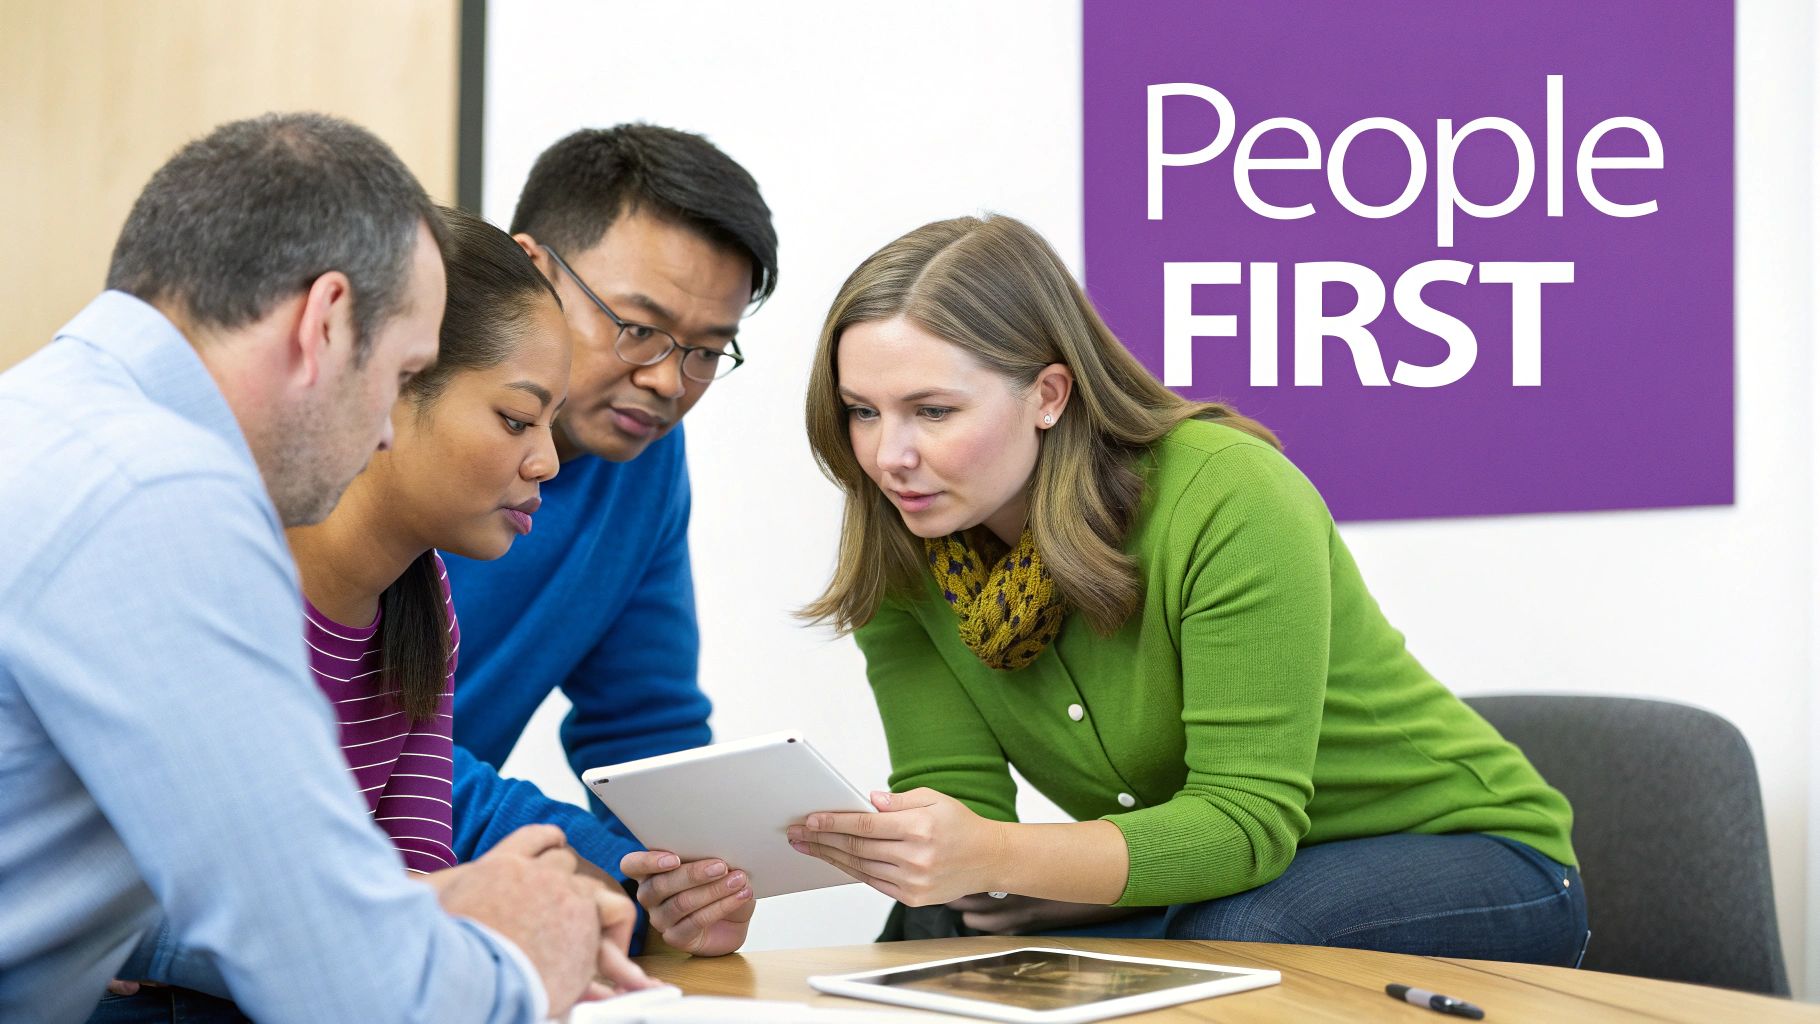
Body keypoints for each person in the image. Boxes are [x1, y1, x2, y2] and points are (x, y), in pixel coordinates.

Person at [786, 214, 1589, 965]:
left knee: (1236, 931)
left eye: (932, 410)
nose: (889, 455)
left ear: (1049, 395)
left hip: (1471, 859)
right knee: (940, 920)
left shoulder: (1225, 493)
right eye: (863, 411)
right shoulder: (904, 552)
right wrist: (947, 863)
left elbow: (1246, 827)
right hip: (1231, 876)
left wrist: (1003, 859)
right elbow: (964, 811)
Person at [0, 112, 624, 1024]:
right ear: (326, 322)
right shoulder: (160, 496)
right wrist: (531, 959)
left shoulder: (44, 420)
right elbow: (352, 988)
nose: (381, 429)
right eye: (398, 373)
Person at [442, 124, 778, 956]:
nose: (668, 380)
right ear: (533, 267)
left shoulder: (644, 460)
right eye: (638, 327)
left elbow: (644, 725)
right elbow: (348, 738)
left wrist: (688, 874)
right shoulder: (402, 422)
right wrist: (607, 866)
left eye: (706, 352)